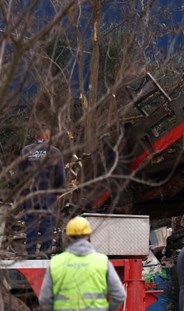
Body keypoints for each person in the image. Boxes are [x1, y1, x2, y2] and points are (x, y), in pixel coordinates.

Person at [39, 217, 126, 311]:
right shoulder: (102, 262)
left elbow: (44, 299)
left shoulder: (56, 262)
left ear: (67, 237)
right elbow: (119, 295)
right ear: (89, 236)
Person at [19, 126, 65, 257]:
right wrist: (59, 189)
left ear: (35, 137)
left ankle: (31, 252)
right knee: (47, 221)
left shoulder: (26, 150)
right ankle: (45, 252)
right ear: (48, 137)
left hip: (31, 194)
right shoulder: (54, 151)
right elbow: (60, 173)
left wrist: (23, 192)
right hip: (48, 193)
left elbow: (20, 174)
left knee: (31, 222)